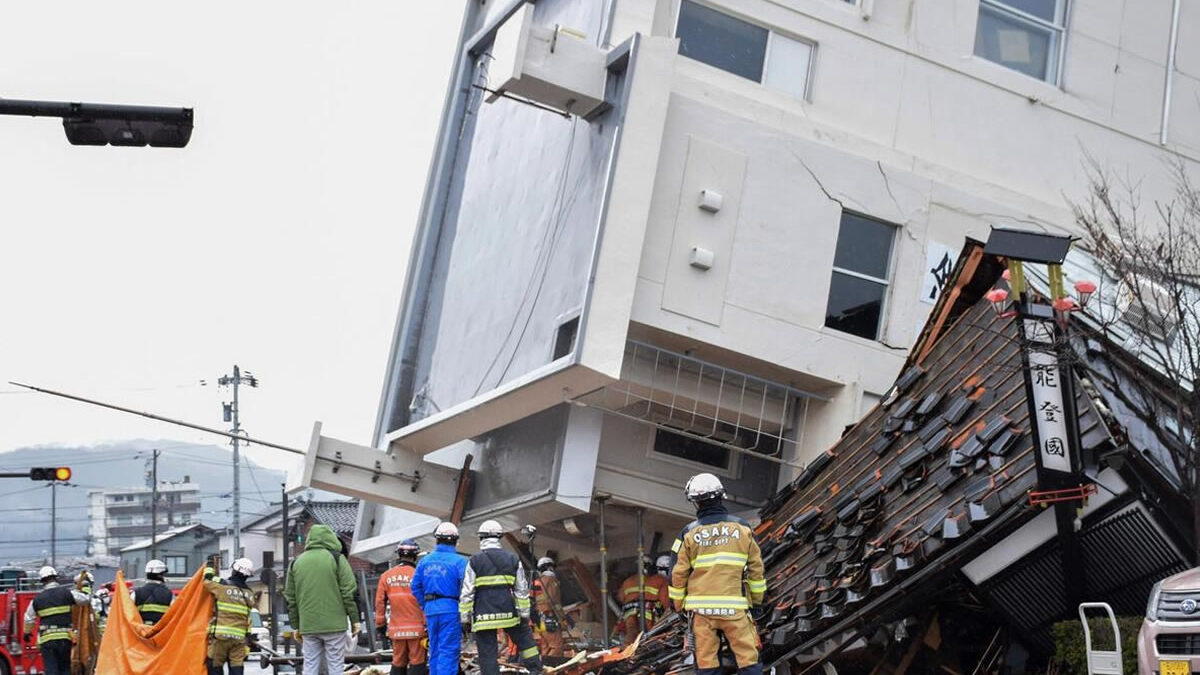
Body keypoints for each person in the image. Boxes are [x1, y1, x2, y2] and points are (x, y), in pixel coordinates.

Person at [668, 473, 767, 675]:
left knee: (707, 667)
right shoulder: (743, 528)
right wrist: (756, 603)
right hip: (736, 610)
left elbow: (676, 575)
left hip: (702, 614)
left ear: (695, 502)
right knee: (749, 663)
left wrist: (678, 607)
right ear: (721, 496)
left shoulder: (687, 533)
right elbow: (757, 570)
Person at [459, 520, 542, 675]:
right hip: (508, 611)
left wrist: (465, 617)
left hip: (483, 615)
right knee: (525, 640)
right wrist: (524, 614)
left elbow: (467, 591)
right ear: (500, 537)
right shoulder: (512, 559)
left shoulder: (474, 561)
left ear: (481, 538)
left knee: (487, 653)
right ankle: (536, 669)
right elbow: (521, 590)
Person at [285, 523, 361, 675]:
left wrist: (296, 625)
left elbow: (290, 598)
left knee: (310, 665)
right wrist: (355, 620)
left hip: (308, 625)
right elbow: (349, 592)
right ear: (331, 539)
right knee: (335, 665)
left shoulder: (296, 562)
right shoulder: (337, 559)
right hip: (335, 625)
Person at [411, 522, 468, 675]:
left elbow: (415, 586)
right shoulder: (460, 562)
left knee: (434, 649)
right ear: (455, 540)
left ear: (437, 540)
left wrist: (425, 604)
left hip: (430, 610)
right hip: (450, 609)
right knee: (448, 650)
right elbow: (466, 588)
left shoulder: (424, 561)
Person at [22, 566, 91, 675]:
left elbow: (29, 618)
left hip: (47, 641)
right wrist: (86, 586)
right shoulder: (67, 593)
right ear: (55, 578)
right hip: (64, 638)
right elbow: (85, 599)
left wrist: (26, 633)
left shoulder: (37, 600)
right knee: (65, 669)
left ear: (42, 581)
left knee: (51, 670)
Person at [375, 539, 427, 675]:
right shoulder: (419, 575)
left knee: (398, 662)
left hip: (397, 630)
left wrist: (380, 625)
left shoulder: (386, 576)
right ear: (415, 555)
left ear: (399, 554)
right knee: (417, 662)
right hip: (417, 630)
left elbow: (380, 602)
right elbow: (425, 602)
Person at [204, 558, 257, 675]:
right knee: (237, 666)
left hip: (221, 637)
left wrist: (209, 566)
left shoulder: (222, 585)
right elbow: (248, 617)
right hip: (239, 638)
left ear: (235, 571)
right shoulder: (250, 593)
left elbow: (207, 580)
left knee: (214, 665)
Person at [617, 555, 668, 644]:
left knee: (631, 636)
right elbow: (666, 603)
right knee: (650, 638)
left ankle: (628, 652)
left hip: (629, 614)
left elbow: (620, 598)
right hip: (649, 615)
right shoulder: (660, 580)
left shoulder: (628, 581)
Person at [532, 556, 566, 657]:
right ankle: (551, 671)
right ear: (550, 567)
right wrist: (562, 618)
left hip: (538, 619)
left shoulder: (537, 582)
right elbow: (555, 602)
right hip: (549, 617)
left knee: (545, 647)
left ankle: (543, 668)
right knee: (557, 646)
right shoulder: (551, 580)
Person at [134, 559, 174, 625]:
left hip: (140, 632)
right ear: (160, 575)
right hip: (161, 632)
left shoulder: (136, 593)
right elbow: (176, 614)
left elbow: (127, 614)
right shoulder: (169, 594)